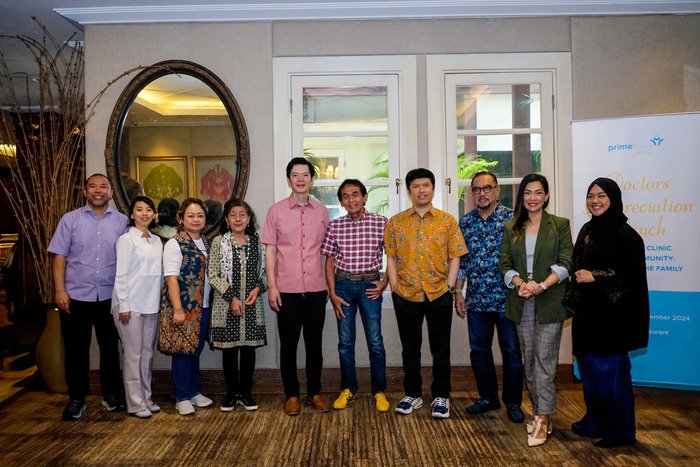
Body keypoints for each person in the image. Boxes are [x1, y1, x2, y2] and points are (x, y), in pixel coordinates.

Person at [567, 178, 649, 448]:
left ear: (613, 198)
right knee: (590, 372)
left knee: (613, 376)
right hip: (587, 314)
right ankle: (596, 420)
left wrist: (596, 276)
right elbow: (576, 262)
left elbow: (630, 277)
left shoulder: (627, 235)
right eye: (591, 195)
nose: (595, 201)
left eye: (601, 195)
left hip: (613, 319)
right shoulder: (588, 229)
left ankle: (621, 430)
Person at [384, 168, 467, 419]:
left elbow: (455, 256)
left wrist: (450, 287)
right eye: (416, 186)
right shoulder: (396, 222)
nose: (422, 190)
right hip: (405, 294)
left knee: (441, 349)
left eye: (426, 185)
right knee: (410, 348)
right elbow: (391, 257)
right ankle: (412, 394)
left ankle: (441, 396)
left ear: (433, 188)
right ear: (409, 191)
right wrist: (395, 287)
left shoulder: (447, 221)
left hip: (439, 293)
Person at [498, 173, 573, 447]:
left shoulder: (560, 225)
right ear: (522, 196)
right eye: (528, 192)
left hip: (550, 300)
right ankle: (542, 413)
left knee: (544, 359)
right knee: (529, 360)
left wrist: (540, 286)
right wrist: (521, 284)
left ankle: (542, 417)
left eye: (538, 192)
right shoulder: (511, 227)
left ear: (546, 195)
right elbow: (504, 264)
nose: (533, 197)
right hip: (522, 300)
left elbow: (566, 263)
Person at [48, 173, 128, 420]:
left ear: (110, 193)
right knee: (76, 351)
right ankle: (77, 398)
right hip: (75, 297)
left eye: (103, 187)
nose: (98, 190)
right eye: (93, 186)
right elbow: (59, 256)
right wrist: (60, 290)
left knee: (110, 349)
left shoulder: (122, 222)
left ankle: (111, 394)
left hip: (109, 297)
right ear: (85, 191)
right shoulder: (70, 220)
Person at [261, 157, 330, 416]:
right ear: (288, 180)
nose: (300, 179)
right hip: (286, 290)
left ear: (312, 179)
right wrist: (272, 286)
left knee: (315, 345)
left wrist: (329, 286)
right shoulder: (275, 211)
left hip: (316, 289)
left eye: (305, 175)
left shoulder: (322, 211)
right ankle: (291, 394)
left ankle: (314, 392)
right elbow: (270, 251)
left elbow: (328, 252)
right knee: (288, 346)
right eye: (295, 175)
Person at [455, 171, 524, 424]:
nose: (482, 193)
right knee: (479, 352)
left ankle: (513, 402)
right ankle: (488, 398)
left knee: (512, 353)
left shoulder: (512, 219)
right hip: (476, 300)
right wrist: (458, 292)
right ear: (472, 193)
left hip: (507, 299)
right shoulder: (465, 222)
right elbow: (462, 261)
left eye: (487, 188)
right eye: (477, 189)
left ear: (497, 190)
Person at [320, 179, 390, 413]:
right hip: (343, 286)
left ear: (365, 197)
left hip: (370, 285)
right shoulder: (335, 226)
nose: (351, 200)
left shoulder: (381, 223)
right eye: (346, 196)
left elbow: (393, 256)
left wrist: (385, 283)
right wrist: (332, 293)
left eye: (355, 194)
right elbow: (329, 261)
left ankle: (379, 390)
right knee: (345, 342)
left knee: (375, 341)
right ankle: (348, 388)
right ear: (341, 202)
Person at [209, 199, 267, 412]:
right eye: (233, 215)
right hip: (226, 305)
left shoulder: (258, 242)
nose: (238, 219)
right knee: (230, 351)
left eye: (242, 214)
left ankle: (247, 392)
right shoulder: (218, 242)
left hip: (252, 304)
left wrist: (258, 289)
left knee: (249, 350)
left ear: (249, 218)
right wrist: (232, 298)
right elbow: (213, 274)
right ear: (226, 219)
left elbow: (267, 272)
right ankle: (232, 393)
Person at [158, 198, 213, 416]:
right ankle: (181, 397)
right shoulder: (175, 243)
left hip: (203, 306)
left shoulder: (206, 242)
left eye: (200, 215)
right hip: (183, 307)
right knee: (181, 350)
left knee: (195, 350)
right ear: (181, 219)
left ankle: (194, 391)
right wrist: (178, 309)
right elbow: (171, 278)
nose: (196, 219)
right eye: (191, 216)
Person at [111, 196, 163, 419]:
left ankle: (146, 398)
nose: (144, 213)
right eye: (139, 210)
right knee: (133, 354)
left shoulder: (156, 240)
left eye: (148, 209)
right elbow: (121, 274)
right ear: (132, 214)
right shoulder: (126, 239)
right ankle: (135, 402)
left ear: (154, 214)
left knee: (147, 353)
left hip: (150, 304)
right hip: (129, 305)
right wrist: (124, 305)